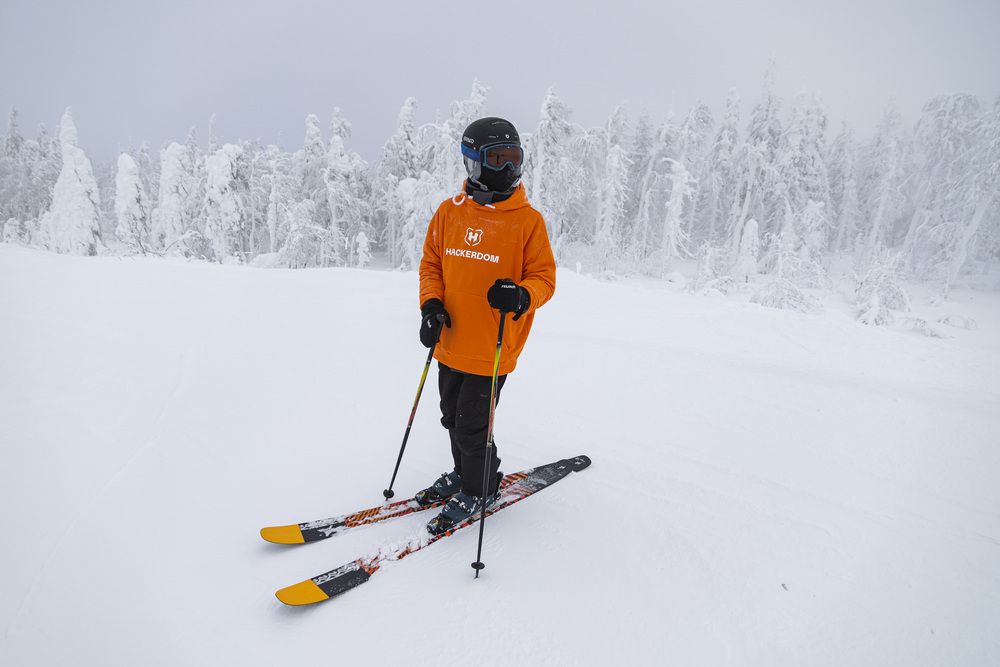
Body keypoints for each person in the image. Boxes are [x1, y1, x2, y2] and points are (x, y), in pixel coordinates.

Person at [415, 117, 556, 534]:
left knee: (474, 425)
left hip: (492, 349)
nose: (509, 169)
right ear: (473, 163)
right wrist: (431, 305)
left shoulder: (528, 221)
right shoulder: (448, 213)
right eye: (498, 159)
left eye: (515, 160)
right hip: (451, 341)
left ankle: (481, 487)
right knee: (450, 417)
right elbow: (431, 265)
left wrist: (521, 296)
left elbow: (544, 278)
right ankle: (464, 474)